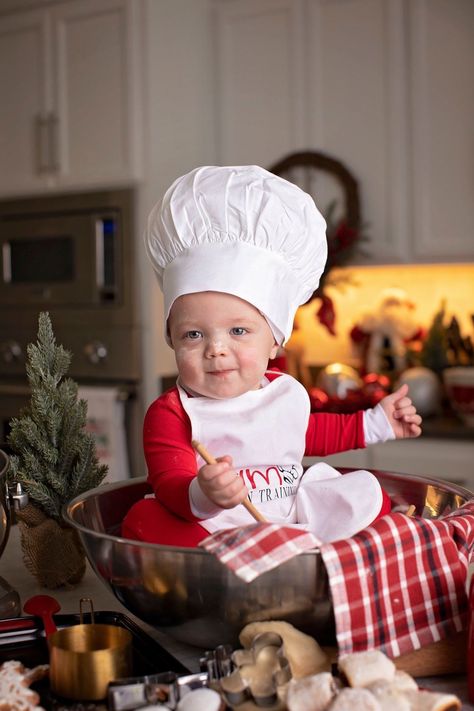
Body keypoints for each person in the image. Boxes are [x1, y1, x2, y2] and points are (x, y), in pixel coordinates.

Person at [122, 165, 422, 547]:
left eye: (238, 331)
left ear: (275, 341)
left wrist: (379, 424)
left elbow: (310, 433)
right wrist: (202, 493)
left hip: (291, 516)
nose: (216, 348)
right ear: (172, 341)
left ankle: (328, 551)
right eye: (193, 334)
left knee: (367, 494)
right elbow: (168, 483)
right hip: (216, 533)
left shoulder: (282, 392)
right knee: (144, 519)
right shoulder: (172, 412)